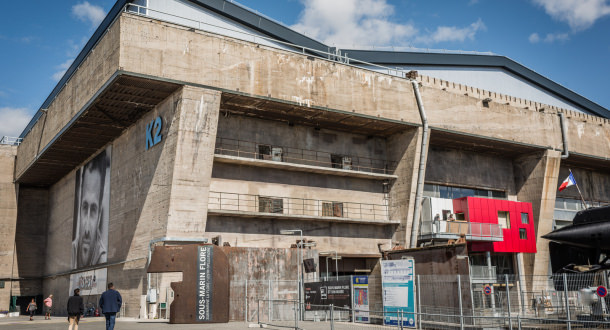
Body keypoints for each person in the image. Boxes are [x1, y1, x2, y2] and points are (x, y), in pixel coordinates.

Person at [72, 151, 109, 268]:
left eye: (93, 210)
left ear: (99, 216)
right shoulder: (73, 251)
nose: (87, 230)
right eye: (84, 207)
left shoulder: (103, 258)